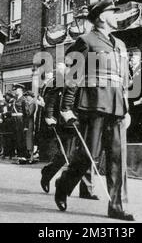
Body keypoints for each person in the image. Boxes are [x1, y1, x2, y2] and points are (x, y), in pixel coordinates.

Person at [54, 0, 134, 221]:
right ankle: (64, 184)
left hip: (117, 107)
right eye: (112, 12)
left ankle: (117, 205)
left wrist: (127, 110)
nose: (116, 15)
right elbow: (71, 75)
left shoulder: (120, 45)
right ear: (100, 17)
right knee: (88, 156)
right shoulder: (86, 40)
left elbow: (124, 81)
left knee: (118, 158)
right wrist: (66, 108)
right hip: (93, 105)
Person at [40, 62, 97, 199]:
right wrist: (49, 116)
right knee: (66, 153)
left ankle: (86, 190)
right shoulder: (59, 82)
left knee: (87, 154)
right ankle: (48, 172)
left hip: (83, 120)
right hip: (66, 122)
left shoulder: (83, 78)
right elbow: (51, 100)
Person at [11, 83, 28, 163]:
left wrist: (26, 125)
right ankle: (18, 155)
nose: (15, 91)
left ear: (21, 90)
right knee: (16, 139)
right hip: (15, 121)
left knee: (21, 139)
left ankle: (23, 156)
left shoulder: (24, 99)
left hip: (21, 120)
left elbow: (26, 113)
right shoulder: (15, 100)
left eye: (16, 89)